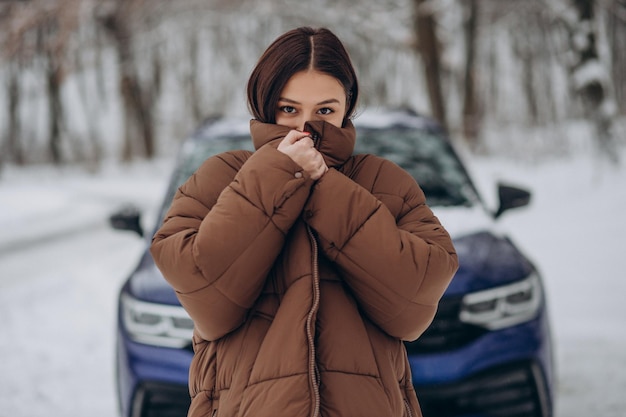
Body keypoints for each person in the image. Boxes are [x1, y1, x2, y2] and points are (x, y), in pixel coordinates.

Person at [150, 27, 458, 417]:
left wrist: (327, 188)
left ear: (347, 106)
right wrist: (277, 174)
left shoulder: (385, 182)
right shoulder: (219, 177)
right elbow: (209, 300)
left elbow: (414, 304)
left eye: (324, 111)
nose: (306, 129)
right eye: (289, 110)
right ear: (265, 105)